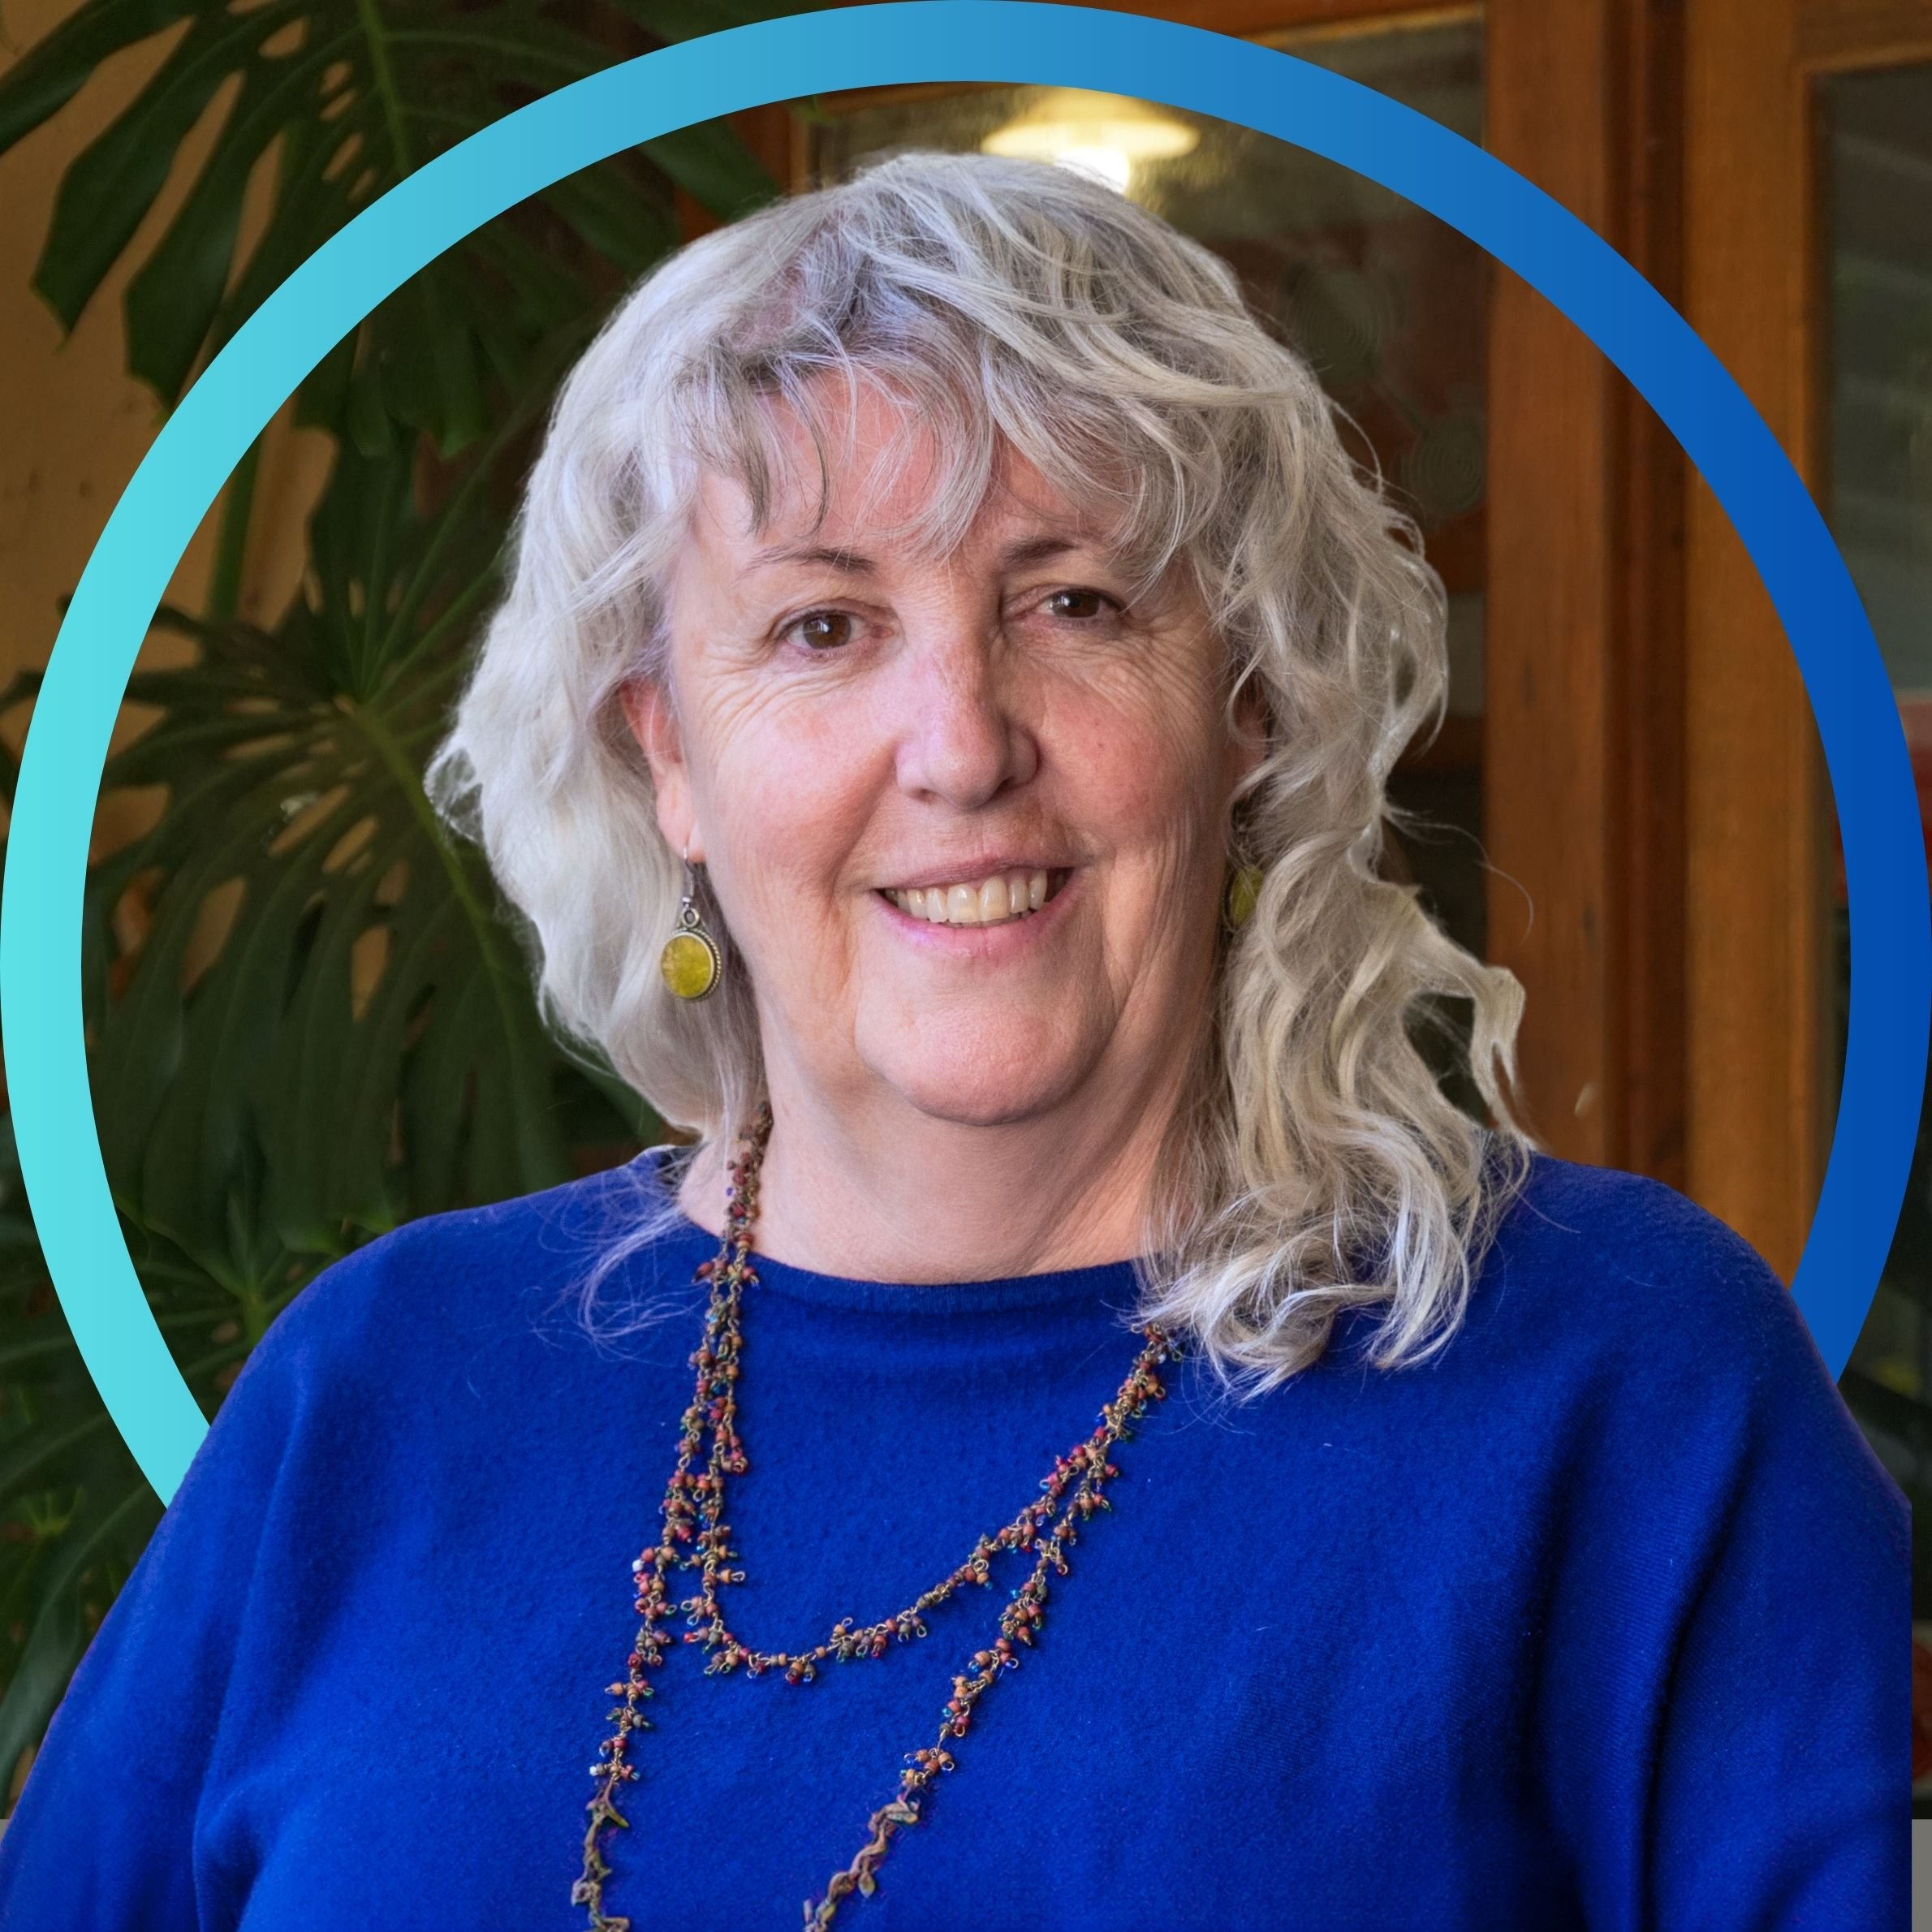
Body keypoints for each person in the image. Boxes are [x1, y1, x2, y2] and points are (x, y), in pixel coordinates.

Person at [0, 151, 1905, 1931]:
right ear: (665, 753)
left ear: (1246, 707)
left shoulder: (1621, 1386)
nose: (962, 742)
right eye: (822, 627)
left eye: (1073, 603)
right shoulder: (379, 1388)